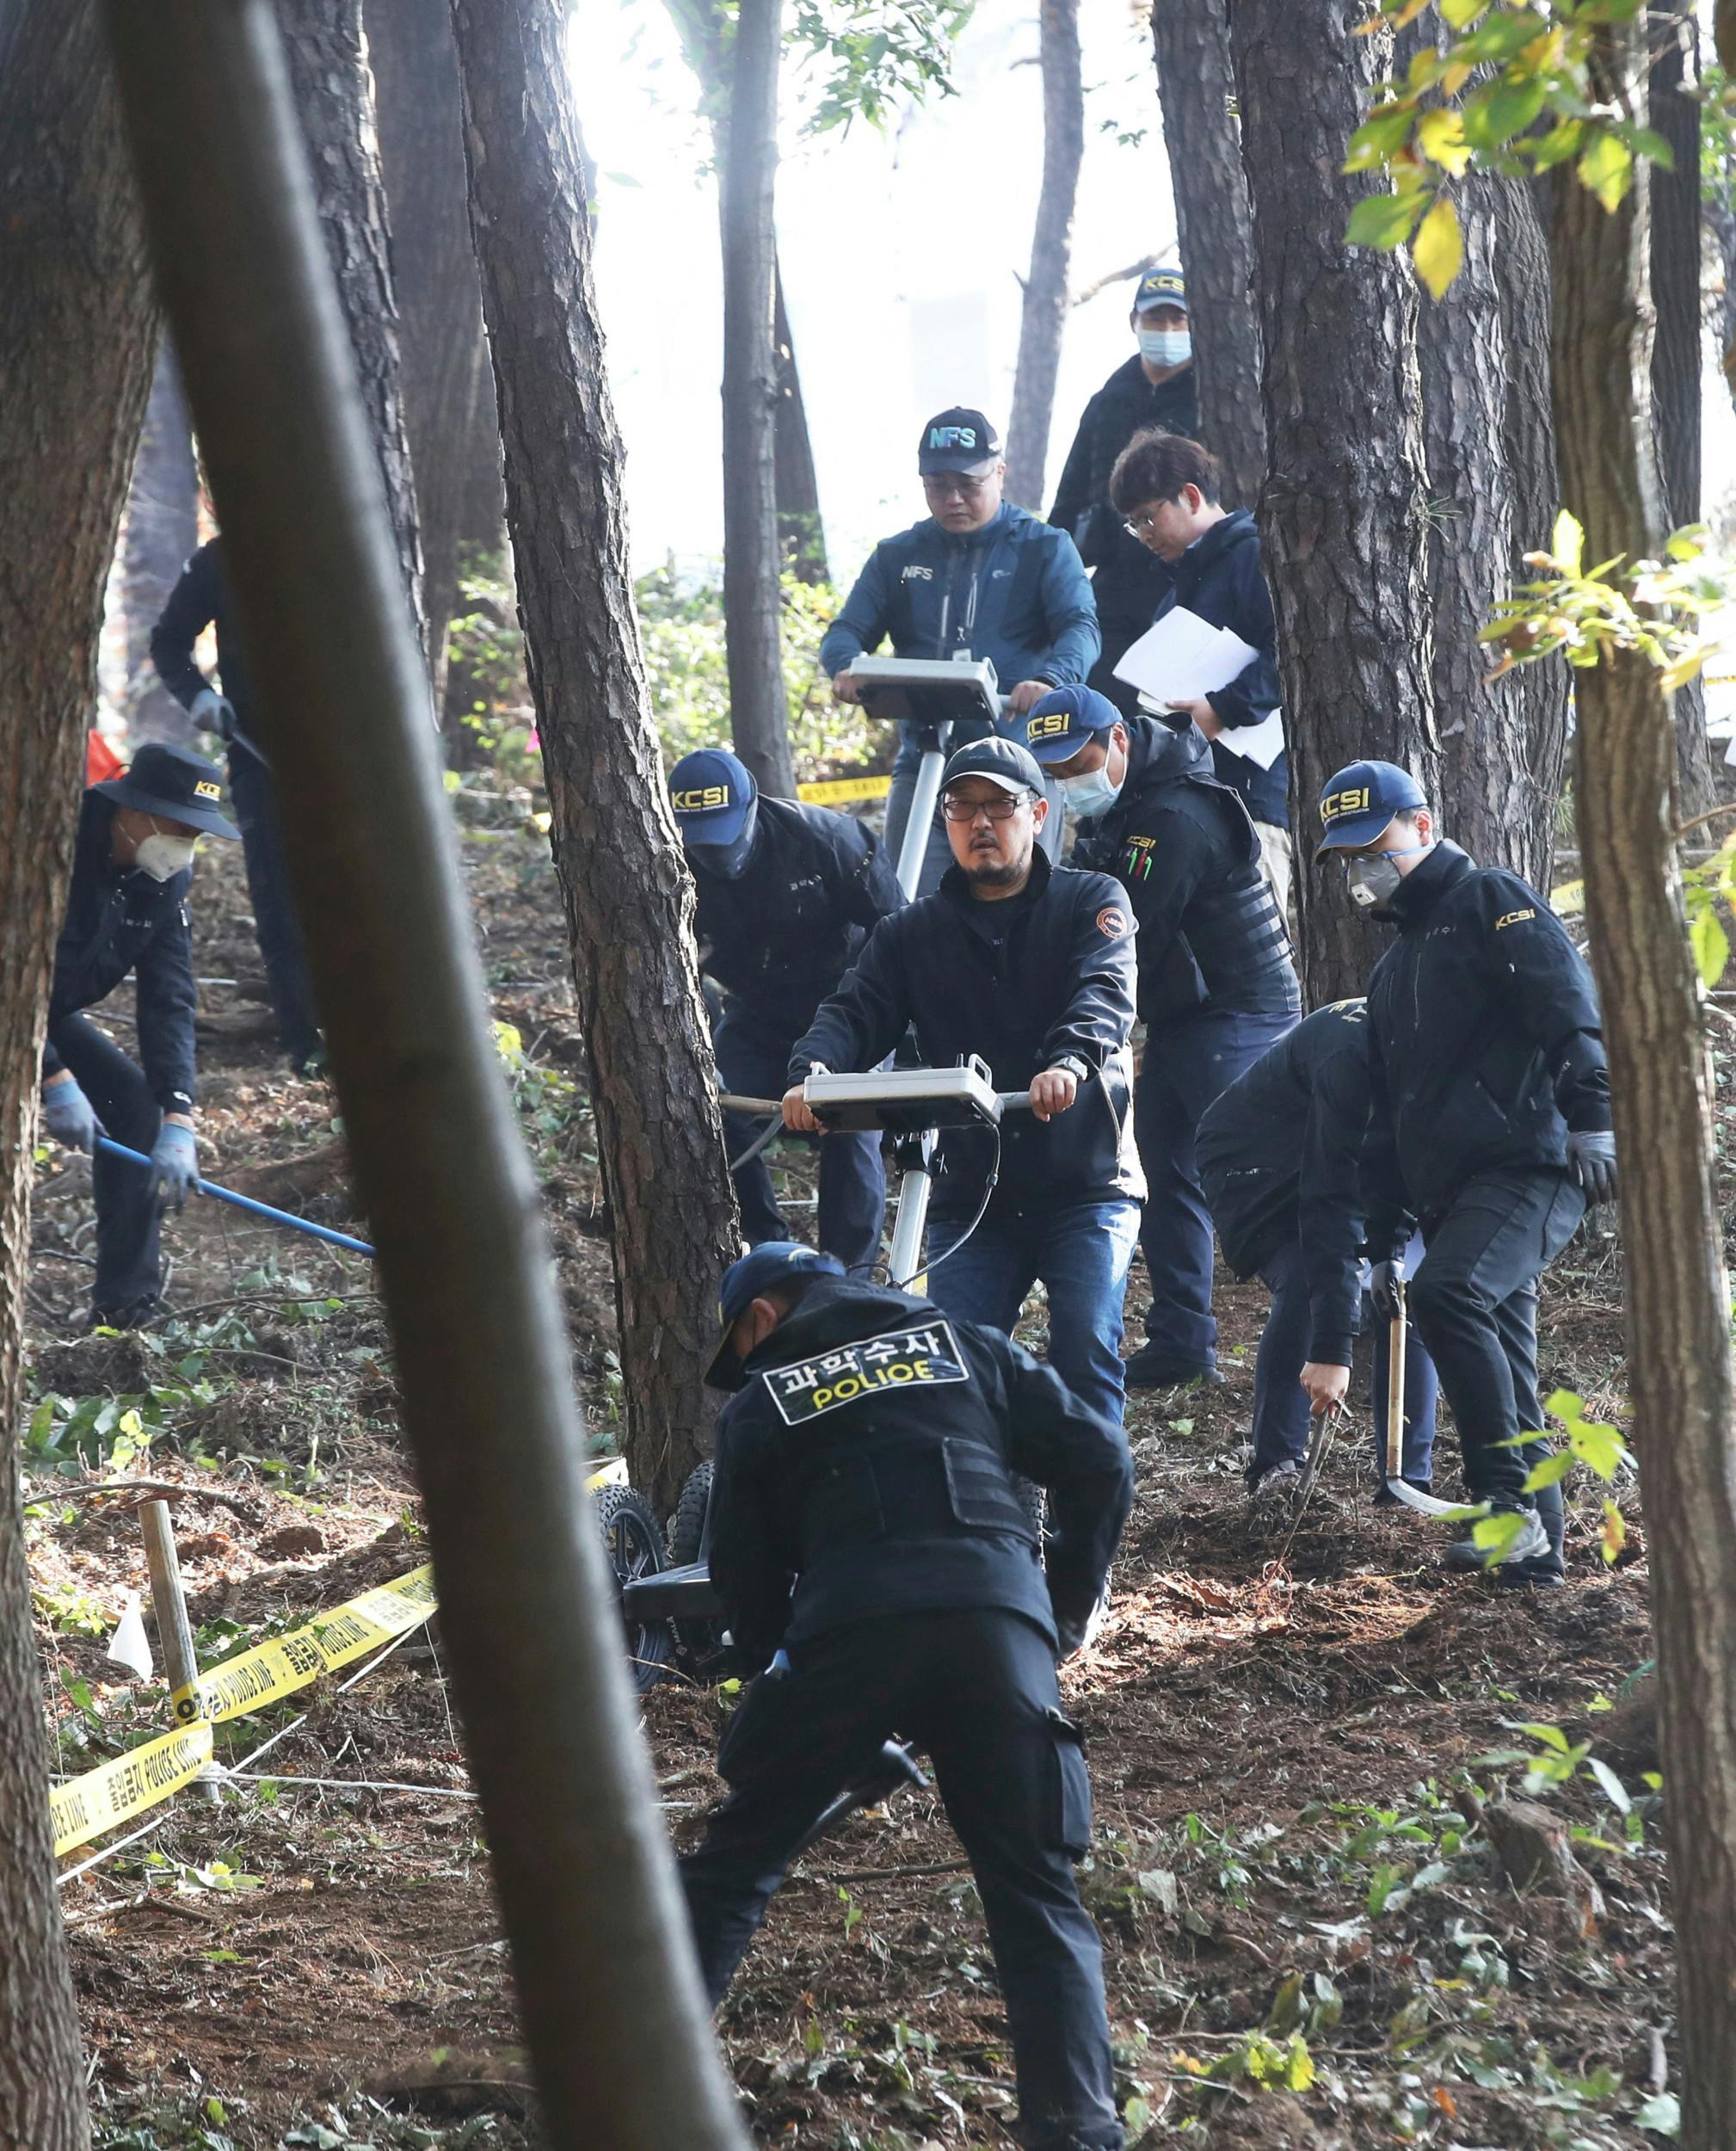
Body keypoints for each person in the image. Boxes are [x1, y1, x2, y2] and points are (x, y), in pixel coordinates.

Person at [680, 1240, 1133, 2151]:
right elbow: (1100, 1460)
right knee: (1036, 1892)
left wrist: (784, 1700)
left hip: (846, 1632)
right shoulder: (967, 1343)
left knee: (735, 1864)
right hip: (995, 1625)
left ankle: (630, 2094)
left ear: (761, 1317)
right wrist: (1061, 1608)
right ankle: (1077, 2131)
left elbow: (742, 1575)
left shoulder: (763, 1400)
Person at [783, 736, 1142, 1433]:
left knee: (1085, 1348)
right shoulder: (909, 933)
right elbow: (853, 1012)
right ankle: (986, 1520)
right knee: (954, 1368)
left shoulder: (1092, 900)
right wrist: (813, 1074)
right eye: (962, 806)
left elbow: (1105, 991)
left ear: (1038, 813)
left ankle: (1088, 1529)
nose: (981, 823)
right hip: (971, 1192)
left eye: (1000, 806)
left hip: (1085, 1181)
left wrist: (1068, 1063)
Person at [1314, 761, 1617, 1583]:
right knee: (1501, 1352)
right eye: (1348, 857)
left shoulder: (1490, 899)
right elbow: (1384, 1121)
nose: (1365, 869)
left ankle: (1505, 1505)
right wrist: (1383, 1242)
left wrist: (1595, 1120)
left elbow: (1568, 1006)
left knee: (1451, 1295)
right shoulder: (1388, 971)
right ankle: (1537, 1557)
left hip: (1531, 1163)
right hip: (1451, 1193)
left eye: (1375, 845)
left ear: (1421, 823)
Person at [1016, 686, 1298, 1391]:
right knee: (1168, 1171)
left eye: (1077, 761)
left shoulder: (1174, 816)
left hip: (1241, 1012)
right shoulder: (1124, 803)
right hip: (1184, 1014)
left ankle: (1330, 1304)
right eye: (1053, 773)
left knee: (1247, 1168)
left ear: (1117, 741)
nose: (1067, 782)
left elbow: (1119, 937)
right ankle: (1181, 1339)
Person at [818, 408, 1099, 894]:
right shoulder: (898, 556)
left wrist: (1052, 680)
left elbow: (1080, 627)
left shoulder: (1044, 547)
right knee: (904, 906)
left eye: (968, 484)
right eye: (937, 485)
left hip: (1017, 760)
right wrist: (845, 668)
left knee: (1019, 906)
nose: (953, 499)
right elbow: (846, 630)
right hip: (927, 758)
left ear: (1000, 473)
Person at [1195, 999, 1440, 1512]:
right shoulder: (1351, 1057)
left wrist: (1392, 1254)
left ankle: (1407, 1483)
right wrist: (1332, 1350)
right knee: (1310, 1275)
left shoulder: (1448, 1055)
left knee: (1409, 1290)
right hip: (1256, 1158)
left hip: (1355, 1155)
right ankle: (1276, 1468)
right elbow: (1330, 1207)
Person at [668, 748, 903, 1273]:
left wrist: (892, 1027)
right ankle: (762, 1249)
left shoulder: (830, 841)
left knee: (849, 1120)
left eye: (727, 836)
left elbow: (899, 937)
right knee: (711, 1103)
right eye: (702, 843)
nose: (717, 855)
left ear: (754, 807)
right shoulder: (669, 861)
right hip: (757, 1011)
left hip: (846, 1007)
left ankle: (849, 1273)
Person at [39, 743, 241, 1329]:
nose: (185, 846)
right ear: (134, 811)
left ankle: (125, 1304)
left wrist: (179, 1115)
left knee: (133, 1106)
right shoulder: (58, 846)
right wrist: (52, 1074)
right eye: (178, 828)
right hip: (13, 1004)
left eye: (196, 836)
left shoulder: (163, 880)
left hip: (44, 1015)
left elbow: (169, 997)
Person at [151, 535, 323, 1074]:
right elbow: (168, 643)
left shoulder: (338, 545)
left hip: (347, 757)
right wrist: (199, 695)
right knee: (280, 899)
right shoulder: (219, 562)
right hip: (257, 755)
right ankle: (308, 1043)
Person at [1108, 430, 1293, 913]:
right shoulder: (1175, 594)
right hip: (1193, 805)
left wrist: (1222, 708)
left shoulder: (1256, 555)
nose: (1144, 534)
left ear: (1191, 496)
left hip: (1254, 802)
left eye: (1149, 517)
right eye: (1133, 525)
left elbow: (1290, 653)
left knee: (1261, 949)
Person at [1048, 262, 1199, 718]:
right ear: (1134, 322)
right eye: (1156, 319)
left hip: (1191, 583)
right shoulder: (1108, 400)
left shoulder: (1213, 394)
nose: (1167, 329)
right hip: (1114, 584)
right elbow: (1069, 500)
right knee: (1103, 714)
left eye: (1178, 319)